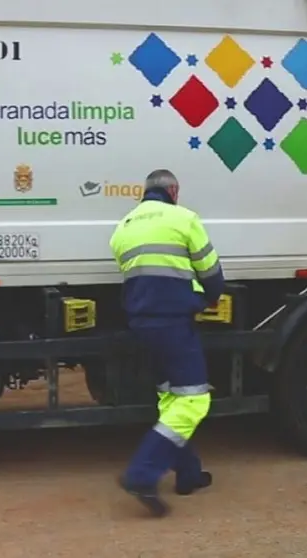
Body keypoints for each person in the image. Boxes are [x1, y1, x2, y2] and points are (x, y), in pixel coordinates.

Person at [108, 169, 225, 517]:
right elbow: (211, 274)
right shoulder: (184, 218)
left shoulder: (124, 227)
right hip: (174, 324)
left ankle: (187, 474)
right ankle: (142, 474)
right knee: (194, 402)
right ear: (173, 190)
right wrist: (208, 299)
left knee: (172, 398)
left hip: (141, 325)